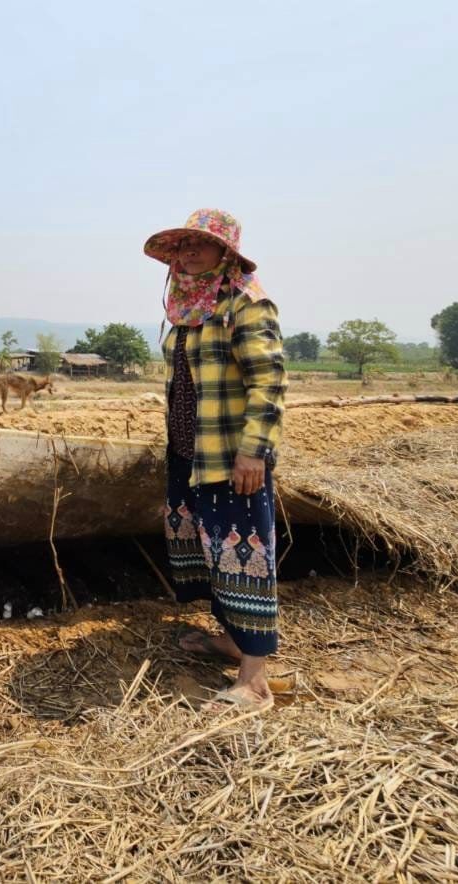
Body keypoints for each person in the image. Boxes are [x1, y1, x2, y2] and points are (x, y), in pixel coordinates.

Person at [143, 209, 286, 712]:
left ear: (225, 252)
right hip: (188, 452)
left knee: (244, 554)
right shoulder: (187, 306)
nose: (187, 255)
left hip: (230, 457)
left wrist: (254, 452)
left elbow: (268, 382)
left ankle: (255, 681)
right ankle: (230, 641)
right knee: (208, 551)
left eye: (198, 246)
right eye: (181, 247)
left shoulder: (245, 301)